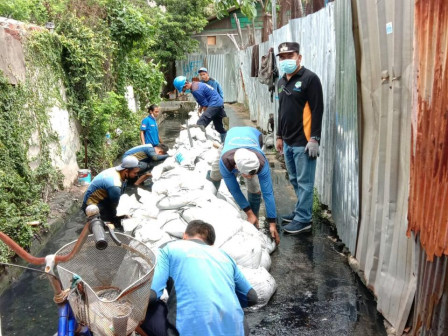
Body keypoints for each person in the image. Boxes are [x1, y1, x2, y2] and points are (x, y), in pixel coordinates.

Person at [140, 220, 258, 336]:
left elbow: (152, 295)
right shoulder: (224, 256)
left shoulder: (169, 248)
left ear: (184, 237)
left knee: (137, 305)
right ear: (211, 244)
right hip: (239, 332)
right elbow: (251, 297)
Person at [275, 41, 324, 234]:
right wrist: (279, 136)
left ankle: (304, 219)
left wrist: (315, 138)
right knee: (294, 179)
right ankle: (300, 211)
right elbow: (281, 111)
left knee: (305, 182)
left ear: (299, 57)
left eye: (290, 56)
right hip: (287, 141)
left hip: (304, 142)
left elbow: (317, 110)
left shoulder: (310, 79)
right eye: (283, 57)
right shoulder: (281, 81)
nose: (286, 60)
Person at [219, 126, 280, 245]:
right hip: (231, 137)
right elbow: (235, 190)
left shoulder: (261, 162)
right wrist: (248, 212)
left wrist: (272, 223)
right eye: (247, 175)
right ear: (237, 168)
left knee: (255, 187)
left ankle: (254, 219)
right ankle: (251, 215)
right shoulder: (225, 163)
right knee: (216, 175)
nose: (251, 176)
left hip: (254, 136)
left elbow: (268, 193)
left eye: (254, 173)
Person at [81, 156, 141, 227]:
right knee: (109, 226)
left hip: (103, 199)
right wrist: (124, 215)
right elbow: (116, 207)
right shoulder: (114, 185)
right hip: (92, 206)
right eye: (135, 173)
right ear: (126, 171)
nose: (136, 175)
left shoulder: (119, 172)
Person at [173, 76, 227, 143]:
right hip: (219, 102)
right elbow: (202, 100)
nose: (184, 91)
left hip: (214, 104)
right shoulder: (195, 84)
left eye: (183, 89)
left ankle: (201, 142)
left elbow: (206, 106)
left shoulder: (195, 90)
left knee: (200, 123)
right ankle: (224, 142)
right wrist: (200, 109)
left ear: (186, 84)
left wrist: (205, 115)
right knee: (220, 127)